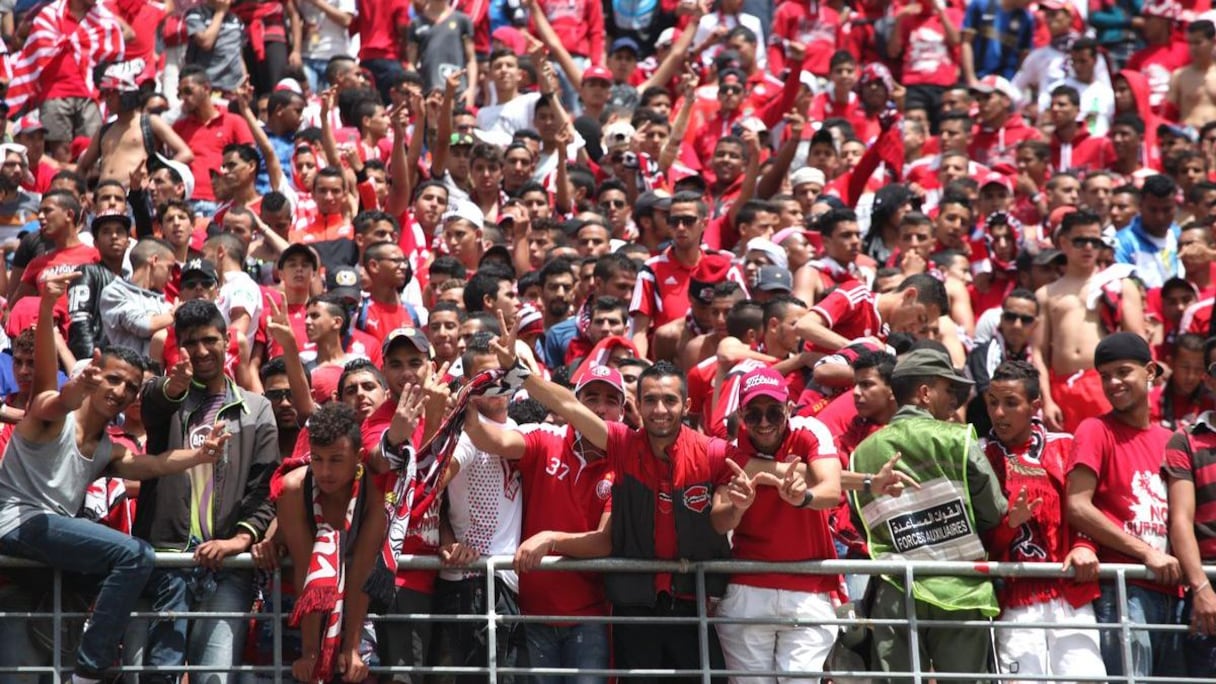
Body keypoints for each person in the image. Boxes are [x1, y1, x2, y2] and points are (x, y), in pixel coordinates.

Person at [0, 272, 227, 684]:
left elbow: (154, 465)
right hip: (16, 522)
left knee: (145, 564)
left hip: (47, 543)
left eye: (130, 387)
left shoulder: (108, 449)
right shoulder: (51, 418)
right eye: (113, 379)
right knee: (135, 554)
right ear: (92, 375)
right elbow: (56, 394)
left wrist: (201, 454)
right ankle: (91, 670)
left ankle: (103, 656)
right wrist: (50, 306)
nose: (121, 391)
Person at [850, 345, 1023, 681]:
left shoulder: (861, 454)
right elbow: (993, 512)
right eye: (948, 389)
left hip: (894, 591)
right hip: (959, 590)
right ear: (925, 393)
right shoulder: (957, 438)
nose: (954, 400)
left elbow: (862, 522)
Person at [131, 300, 279, 684]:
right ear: (178, 347)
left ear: (228, 340)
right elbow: (152, 406)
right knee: (156, 675)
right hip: (166, 561)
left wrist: (240, 540)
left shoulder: (257, 408)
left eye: (209, 340)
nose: (200, 351)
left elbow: (266, 487)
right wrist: (172, 386)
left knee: (213, 677)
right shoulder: (168, 398)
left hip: (227, 567)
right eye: (190, 343)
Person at [1065, 332, 1184, 678]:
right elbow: (1078, 506)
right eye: (1105, 376)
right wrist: (1146, 553)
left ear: (1150, 370)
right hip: (1123, 590)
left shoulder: (1172, 439)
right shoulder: (1094, 430)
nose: (1113, 383)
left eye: (1122, 372)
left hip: (1173, 592)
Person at [980, 360, 1106, 680]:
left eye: (1011, 403)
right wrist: (1010, 525)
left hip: (1070, 593)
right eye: (993, 403)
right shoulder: (980, 455)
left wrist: (1083, 545)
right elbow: (979, 542)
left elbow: (1090, 507)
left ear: (1035, 406)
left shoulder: (1064, 445)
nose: (999, 413)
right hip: (1014, 598)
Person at [276, 401, 391, 683]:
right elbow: (306, 570)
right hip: (304, 606)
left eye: (336, 460)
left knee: (358, 671)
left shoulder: (376, 494)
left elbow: (362, 569)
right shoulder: (292, 490)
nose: (325, 471)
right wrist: (311, 652)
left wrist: (351, 649)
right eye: (317, 459)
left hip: (362, 604)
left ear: (359, 457)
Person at [1033, 210, 1145, 433]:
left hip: (1105, 384)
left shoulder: (1118, 285)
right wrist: (1047, 400)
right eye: (1080, 241)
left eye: (1094, 241)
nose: (1088, 247)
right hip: (1062, 389)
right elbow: (1038, 352)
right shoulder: (1045, 294)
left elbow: (1138, 344)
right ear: (1063, 243)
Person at [1164, 373, 1216, 677]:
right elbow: (1180, 520)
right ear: (1209, 379)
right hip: (1210, 588)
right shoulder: (1185, 439)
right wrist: (1202, 588)